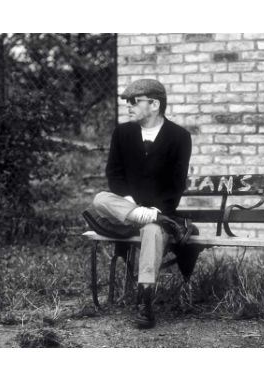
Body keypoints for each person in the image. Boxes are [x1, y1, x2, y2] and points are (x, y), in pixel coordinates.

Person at [86, 78, 198, 329]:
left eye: (135, 101)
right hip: (125, 213)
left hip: (160, 211)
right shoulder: (122, 133)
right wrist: (131, 205)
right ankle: (152, 219)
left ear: (155, 104)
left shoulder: (179, 137)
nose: (128, 106)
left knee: (152, 231)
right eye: (127, 102)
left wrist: (155, 212)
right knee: (100, 198)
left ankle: (145, 301)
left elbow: (176, 184)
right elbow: (114, 175)